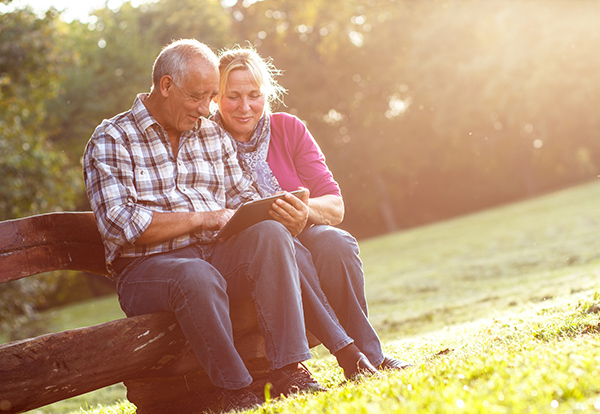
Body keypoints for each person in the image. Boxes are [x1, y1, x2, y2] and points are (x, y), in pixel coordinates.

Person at [82, 39, 327, 413]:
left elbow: (245, 197)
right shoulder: (112, 139)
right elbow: (120, 225)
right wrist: (201, 217)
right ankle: (236, 389)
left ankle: (290, 370)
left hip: (216, 254)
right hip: (147, 270)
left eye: (212, 96)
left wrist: (278, 212)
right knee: (195, 275)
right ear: (166, 86)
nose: (206, 108)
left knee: (270, 234)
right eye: (197, 97)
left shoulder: (210, 134)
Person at [212, 45, 412, 378]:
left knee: (337, 243)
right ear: (215, 98)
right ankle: (348, 352)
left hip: (300, 232)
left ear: (267, 94)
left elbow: (335, 205)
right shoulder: (204, 142)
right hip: (249, 257)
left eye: (254, 95)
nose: (245, 107)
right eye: (233, 96)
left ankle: (370, 354)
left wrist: (302, 212)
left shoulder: (289, 129)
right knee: (283, 241)